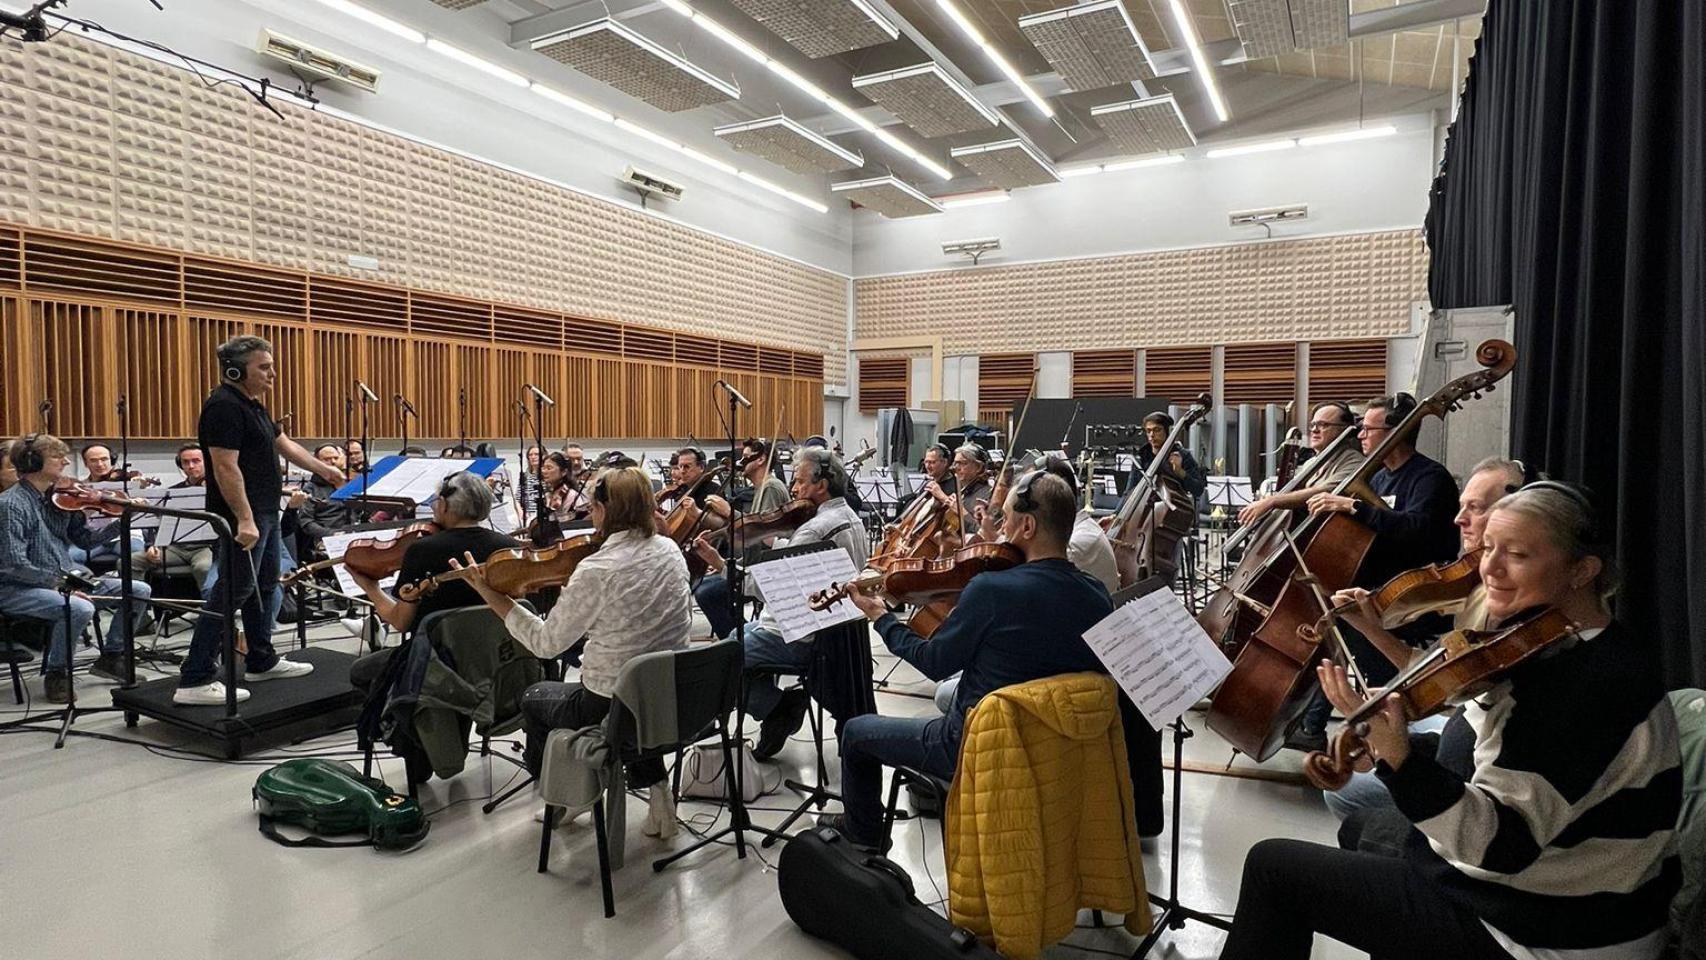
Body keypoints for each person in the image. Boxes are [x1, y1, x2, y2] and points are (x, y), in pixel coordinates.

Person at [1220, 483, 1682, 960]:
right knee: (1363, 826)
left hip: (1550, 932)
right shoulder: (1566, 645)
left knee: (1273, 867)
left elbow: (1502, 845)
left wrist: (1401, 760)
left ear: (1582, 570)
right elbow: (1491, 758)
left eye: (1517, 555)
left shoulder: (1580, 684)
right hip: (1552, 892)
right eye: (1488, 550)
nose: (1489, 569)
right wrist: (1393, 747)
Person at [827, 472, 1113, 849]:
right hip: (1054, 747)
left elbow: (933, 661)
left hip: (978, 743)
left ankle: (863, 837)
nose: (1000, 528)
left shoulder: (993, 589)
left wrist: (880, 617)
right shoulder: (1097, 595)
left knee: (856, 732)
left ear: (1027, 526)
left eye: (1005, 517)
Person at [452, 466, 691, 839]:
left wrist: (489, 593)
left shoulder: (596, 569)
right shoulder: (669, 549)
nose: (590, 514)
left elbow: (546, 643)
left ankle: (566, 795)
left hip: (613, 703)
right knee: (637, 690)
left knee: (535, 697)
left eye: (594, 506)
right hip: (670, 697)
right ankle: (660, 797)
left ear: (604, 510)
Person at [1321, 457, 1528, 823]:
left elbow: (1461, 700)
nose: (1458, 519)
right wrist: (1370, 627)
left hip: (1480, 748)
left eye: (1474, 508)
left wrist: (1395, 743)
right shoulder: (1477, 589)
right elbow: (1441, 671)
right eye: (1461, 506)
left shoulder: (1512, 599)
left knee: (1349, 799)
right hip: (1466, 721)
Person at [174, 336, 344, 706]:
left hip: (266, 510)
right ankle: (195, 678)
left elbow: (286, 444)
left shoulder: (254, 406)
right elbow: (224, 466)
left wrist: (325, 470)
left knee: (265, 586)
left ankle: (261, 659)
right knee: (230, 592)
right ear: (236, 371)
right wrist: (244, 519)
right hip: (243, 516)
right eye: (263, 367)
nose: (272, 374)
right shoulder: (223, 407)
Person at [701, 447, 867, 759]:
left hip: (797, 633)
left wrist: (721, 565)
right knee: (739, 638)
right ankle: (774, 705)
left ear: (821, 485)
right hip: (836, 634)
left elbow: (765, 590)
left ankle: (777, 706)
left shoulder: (814, 528)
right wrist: (778, 541)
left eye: (799, 481)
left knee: (719, 660)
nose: (793, 489)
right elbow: (806, 562)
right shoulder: (850, 518)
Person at [1306, 393, 1462, 685]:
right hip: (1379, 586)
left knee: (1347, 621)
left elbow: (1417, 528)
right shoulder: (1377, 479)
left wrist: (1353, 506)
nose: (1361, 435)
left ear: (1396, 432)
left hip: (1416, 592)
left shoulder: (1429, 477)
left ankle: (1383, 695)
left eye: (1368, 428)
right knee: (1331, 613)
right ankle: (1322, 716)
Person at [0, 434, 154, 703]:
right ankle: (57, 673)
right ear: (33, 461)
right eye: (57, 456)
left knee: (139, 589)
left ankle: (111, 656)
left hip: (63, 577)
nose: (65, 461)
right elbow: (14, 565)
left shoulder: (59, 498)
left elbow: (85, 540)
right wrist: (61, 585)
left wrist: (125, 520)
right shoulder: (10, 505)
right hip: (18, 587)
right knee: (79, 607)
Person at [346, 472, 519, 668]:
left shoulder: (423, 550)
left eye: (435, 501)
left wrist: (370, 588)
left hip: (437, 658)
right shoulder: (509, 546)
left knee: (360, 670)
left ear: (444, 505)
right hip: (499, 654)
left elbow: (401, 621)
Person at [691, 437, 789, 639]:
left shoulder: (771, 487)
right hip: (752, 561)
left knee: (707, 593)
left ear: (761, 459)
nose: (740, 463)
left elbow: (762, 533)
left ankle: (737, 645)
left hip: (765, 569)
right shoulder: (760, 489)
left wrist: (728, 512)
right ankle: (740, 636)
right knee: (703, 584)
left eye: (745, 457)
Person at [1236, 402, 1364, 527]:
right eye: (1313, 424)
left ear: (1344, 430)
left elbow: (1326, 491)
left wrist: (1271, 501)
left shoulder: (1354, 460)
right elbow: (1294, 494)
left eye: (1323, 425)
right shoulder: (1310, 462)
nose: (1314, 430)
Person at [132, 443, 215, 593]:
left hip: (206, 547)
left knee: (204, 567)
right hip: (175, 547)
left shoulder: (218, 490)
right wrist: (154, 545)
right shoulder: (172, 492)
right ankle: (139, 614)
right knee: (131, 561)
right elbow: (157, 522)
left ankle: (210, 612)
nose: (190, 466)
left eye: (196, 461)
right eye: (185, 462)